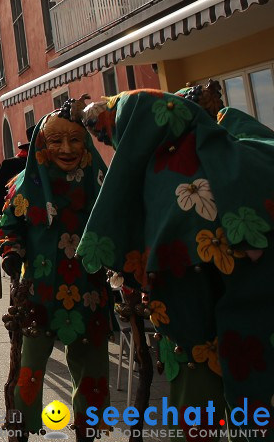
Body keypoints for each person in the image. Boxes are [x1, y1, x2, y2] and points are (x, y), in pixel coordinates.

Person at [78, 85, 274, 433]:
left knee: (198, 400)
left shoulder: (166, 169)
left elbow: (168, 255)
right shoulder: (228, 148)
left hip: (197, 319)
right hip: (258, 317)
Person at [0, 100, 111, 440]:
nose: (66, 148)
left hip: (90, 290)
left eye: (75, 140)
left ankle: (87, 432)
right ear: (42, 145)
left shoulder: (100, 182)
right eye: (56, 141)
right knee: (30, 368)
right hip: (40, 292)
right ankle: (23, 429)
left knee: (91, 369)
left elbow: (117, 224)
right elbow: (8, 226)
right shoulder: (24, 185)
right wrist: (11, 252)